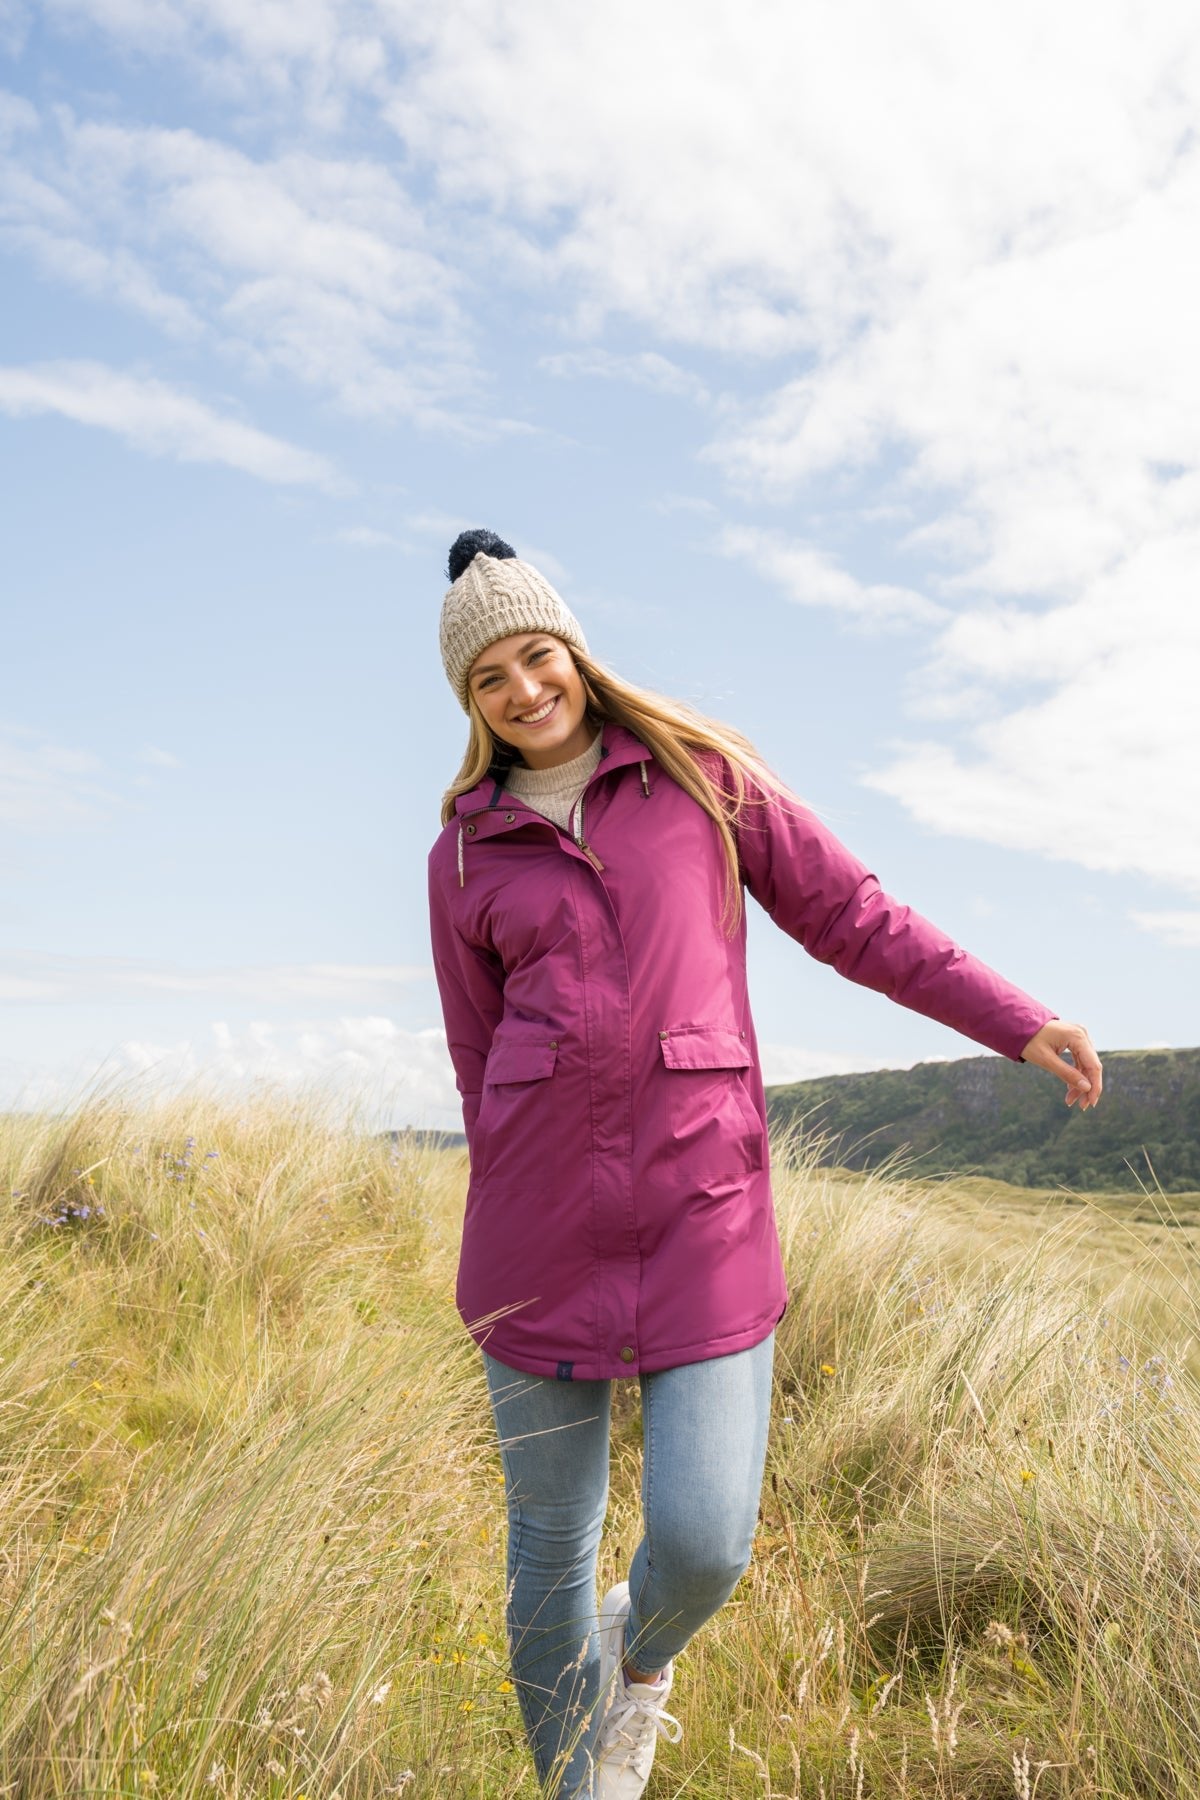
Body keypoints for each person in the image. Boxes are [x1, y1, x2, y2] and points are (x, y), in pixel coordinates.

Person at [427, 529, 1102, 1799]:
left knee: (702, 1542)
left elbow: (857, 918)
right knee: (542, 1559)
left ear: (573, 651)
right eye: (487, 679)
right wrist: (504, 1189)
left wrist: (1014, 1017)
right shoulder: (462, 855)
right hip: (536, 1235)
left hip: (704, 1212)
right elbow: (477, 1059)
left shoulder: (699, 778)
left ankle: (637, 1659)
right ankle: (579, 1787)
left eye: (536, 656)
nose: (523, 690)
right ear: (467, 703)